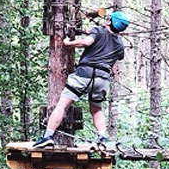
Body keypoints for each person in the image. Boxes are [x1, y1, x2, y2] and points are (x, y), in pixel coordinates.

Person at [32, 9, 128, 148]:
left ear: (110, 22)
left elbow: (87, 42)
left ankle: (48, 136)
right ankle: (102, 138)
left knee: (62, 105)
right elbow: (119, 55)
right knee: (96, 110)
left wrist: (67, 43)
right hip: (102, 79)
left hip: (83, 74)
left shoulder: (99, 31)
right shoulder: (119, 44)